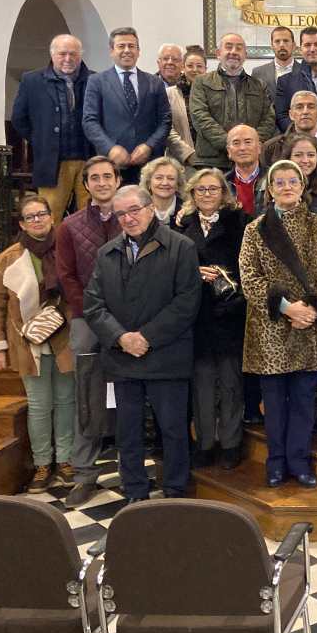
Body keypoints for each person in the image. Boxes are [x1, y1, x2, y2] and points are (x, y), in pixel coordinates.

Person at [83, 185, 201, 503]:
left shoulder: (181, 247)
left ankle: (175, 489)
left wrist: (146, 338)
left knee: (173, 430)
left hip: (167, 355)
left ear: (150, 208)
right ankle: (134, 490)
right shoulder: (107, 253)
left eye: (134, 210)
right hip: (123, 358)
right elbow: (93, 305)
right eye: (121, 213)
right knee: (128, 432)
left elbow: (187, 302)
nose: (128, 218)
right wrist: (122, 338)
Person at [239, 159, 317, 488]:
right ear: (269, 190)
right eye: (279, 182)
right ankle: (276, 461)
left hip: (310, 324)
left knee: (303, 399)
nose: (286, 187)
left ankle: (300, 461)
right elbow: (249, 277)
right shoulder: (255, 230)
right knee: (274, 401)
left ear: (302, 187)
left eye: (292, 181)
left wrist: (310, 309)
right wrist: (286, 308)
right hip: (272, 326)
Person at [0, 195, 75, 493]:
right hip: (27, 341)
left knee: (65, 401)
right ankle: (42, 464)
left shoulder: (67, 247)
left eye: (42, 214)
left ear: (52, 216)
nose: (37, 220)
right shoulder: (6, 259)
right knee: (39, 406)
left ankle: (65, 461)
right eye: (30, 217)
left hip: (64, 336)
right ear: (22, 223)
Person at [54, 156, 122, 507]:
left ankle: (133, 470)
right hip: (86, 320)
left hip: (128, 322)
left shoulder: (133, 220)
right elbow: (66, 276)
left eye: (106, 176)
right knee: (87, 394)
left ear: (117, 179)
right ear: (86, 185)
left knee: (130, 392)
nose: (101, 182)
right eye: (93, 178)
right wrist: (92, 313)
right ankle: (84, 472)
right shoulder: (70, 226)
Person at [175, 169, 248, 470]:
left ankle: (231, 443)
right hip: (198, 315)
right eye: (200, 190)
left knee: (231, 382)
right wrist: (195, 274)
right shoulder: (182, 227)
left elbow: (250, 264)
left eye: (213, 189)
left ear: (223, 193)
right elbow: (172, 270)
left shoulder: (239, 223)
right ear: (192, 195)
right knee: (203, 384)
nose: (207, 195)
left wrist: (234, 289)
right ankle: (205, 443)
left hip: (231, 311)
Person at [12, 34, 94, 221]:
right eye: (62, 54)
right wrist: (41, 140)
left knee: (91, 215)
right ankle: (53, 252)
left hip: (89, 159)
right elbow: (19, 118)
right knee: (50, 216)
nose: (68, 59)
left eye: (73, 54)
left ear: (81, 55)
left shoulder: (95, 79)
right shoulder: (32, 80)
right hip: (52, 163)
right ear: (52, 55)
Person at [82, 27, 171, 184]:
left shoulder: (154, 82)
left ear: (138, 51)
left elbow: (165, 120)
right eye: (121, 46)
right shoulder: (97, 81)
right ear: (111, 50)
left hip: (148, 164)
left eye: (131, 46)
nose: (127, 50)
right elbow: (90, 121)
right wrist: (110, 148)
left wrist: (149, 146)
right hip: (112, 165)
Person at [187, 33, 276, 169]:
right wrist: (231, 144)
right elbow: (200, 117)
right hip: (211, 162)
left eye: (239, 48)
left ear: (245, 55)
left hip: (250, 162)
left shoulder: (259, 86)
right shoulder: (201, 82)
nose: (233, 52)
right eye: (228, 47)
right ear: (218, 53)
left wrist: (249, 146)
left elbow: (268, 119)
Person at [262, 89, 317, 166]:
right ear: (291, 114)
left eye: (311, 107)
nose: (305, 112)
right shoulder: (271, 148)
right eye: (299, 107)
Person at [159, 44, 196, 167]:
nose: (170, 62)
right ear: (158, 62)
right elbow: (164, 126)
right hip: (163, 158)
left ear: (182, 65)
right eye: (165, 58)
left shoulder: (193, 88)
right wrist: (186, 153)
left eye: (175, 59)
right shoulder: (149, 86)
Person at [224, 125, 268, 217]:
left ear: (259, 147)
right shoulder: (222, 184)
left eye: (248, 142)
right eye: (236, 143)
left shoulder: (273, 179)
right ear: (229, 151)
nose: (242, 148)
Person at [252, 26, 297, 99]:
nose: (282, 45)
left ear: (294, 45)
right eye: (277, 41)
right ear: (272, 46)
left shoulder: (305, 71)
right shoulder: (258, 73)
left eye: (286, 41)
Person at [138, 156, 185, 225]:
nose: (165, 183)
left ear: (178, 184)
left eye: (171, 178)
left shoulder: (188, 211)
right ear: (148, 182)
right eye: (159, 178)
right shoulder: (138, 210)